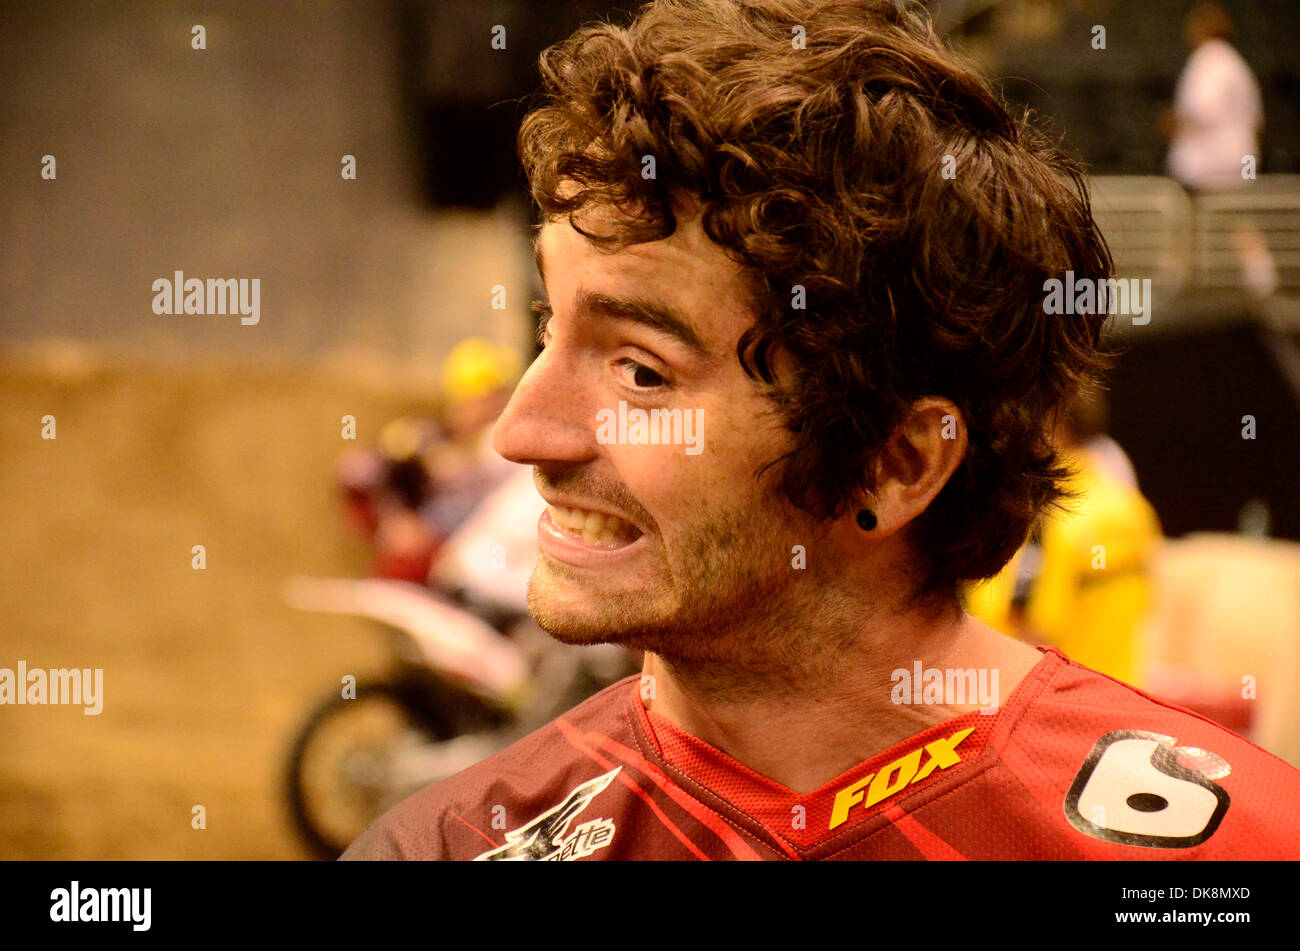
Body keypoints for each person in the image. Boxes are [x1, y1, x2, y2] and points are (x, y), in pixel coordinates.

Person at [342, 0, 1300, 860]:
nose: (523, 433)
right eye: (550, 328)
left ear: (898, 461)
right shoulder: (443, 845)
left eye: (641, 372)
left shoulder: (1234, 857)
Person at [966, 388, 1161, 688]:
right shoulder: (1133, 507)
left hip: (1052, 699)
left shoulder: (1051, 514)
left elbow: (1028, 630)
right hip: (1120, 692)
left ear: (1052, 428)